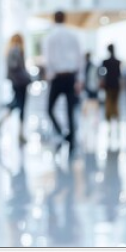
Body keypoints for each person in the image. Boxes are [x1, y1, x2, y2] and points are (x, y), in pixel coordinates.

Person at [43, 11, 83, 150]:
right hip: (71, 77)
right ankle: (70, 136)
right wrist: (79, 79)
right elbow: (79, 58)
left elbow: (48, 60)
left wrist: (49, 76)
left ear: (54, 19)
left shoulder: (50, 37)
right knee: (70, 110)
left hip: (57, 77)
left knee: (49, 109)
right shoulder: (72, 36)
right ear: (65, 19)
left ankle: (61, 131)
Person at [0, 33, 31, 144]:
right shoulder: (17, 50)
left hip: (17, 82)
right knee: (20, 105)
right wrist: (26, 76)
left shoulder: (10, 50)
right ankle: (20, 133)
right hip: (20, 82)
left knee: (16, 103)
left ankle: (1, 122)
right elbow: (16, 67)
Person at [101, 44, 122, 136]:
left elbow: (102, 73)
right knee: (115, 103)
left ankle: (109, 121)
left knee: (109, 103)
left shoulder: (105, 62)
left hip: (108, 85)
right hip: (116, 85)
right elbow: (119, 74)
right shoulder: (117, 62)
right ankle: (116, 120)